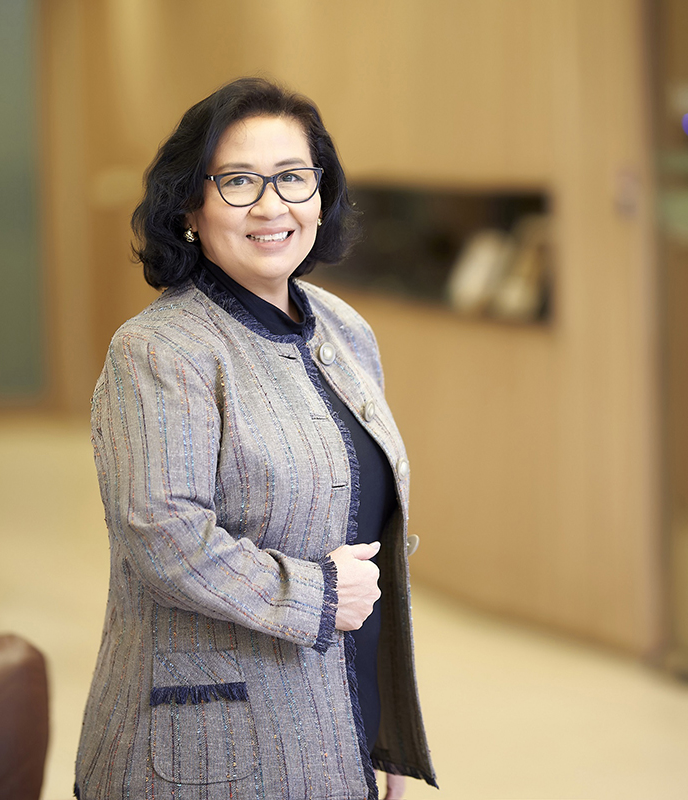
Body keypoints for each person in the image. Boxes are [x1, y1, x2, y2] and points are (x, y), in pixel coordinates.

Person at [74, 77, 435, 800]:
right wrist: (318, 596)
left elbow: (364, 539)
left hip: (338, 724)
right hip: (206, 751)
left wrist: (384, 727)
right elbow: (163, 536)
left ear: (321, 194)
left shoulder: (344, 329)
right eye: (239, 181)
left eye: (293, 177)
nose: (272, 206)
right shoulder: (158, 351)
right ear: (190, 207)